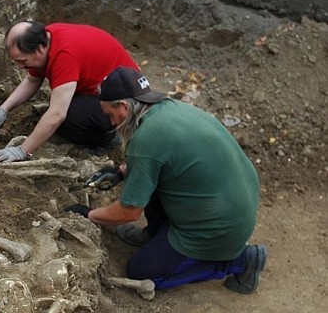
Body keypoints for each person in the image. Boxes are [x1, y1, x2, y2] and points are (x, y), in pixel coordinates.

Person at [65, 67, 267, 294]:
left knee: (140, 270)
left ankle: (239, 261)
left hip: (216, 228)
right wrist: (121, 172)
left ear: (123, 106)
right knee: (154, 180)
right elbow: (165, 158)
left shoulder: (146, 139)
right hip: (234, 201)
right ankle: (155, 234)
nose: (111, 123)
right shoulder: (167, 108)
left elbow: (129, 212)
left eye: (110, 115)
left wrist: (90, 215)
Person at [0, 21, 139, 162]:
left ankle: (110, 136)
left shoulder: (64, 56)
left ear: (39, 50)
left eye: (23, 61)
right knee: (62, 107)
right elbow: (33, 80)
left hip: (125, 101)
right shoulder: (46, 37)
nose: (20, 67)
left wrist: (22, 150)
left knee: (69, 120)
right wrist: (3, 109)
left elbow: (57, 115)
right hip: (107, 87)